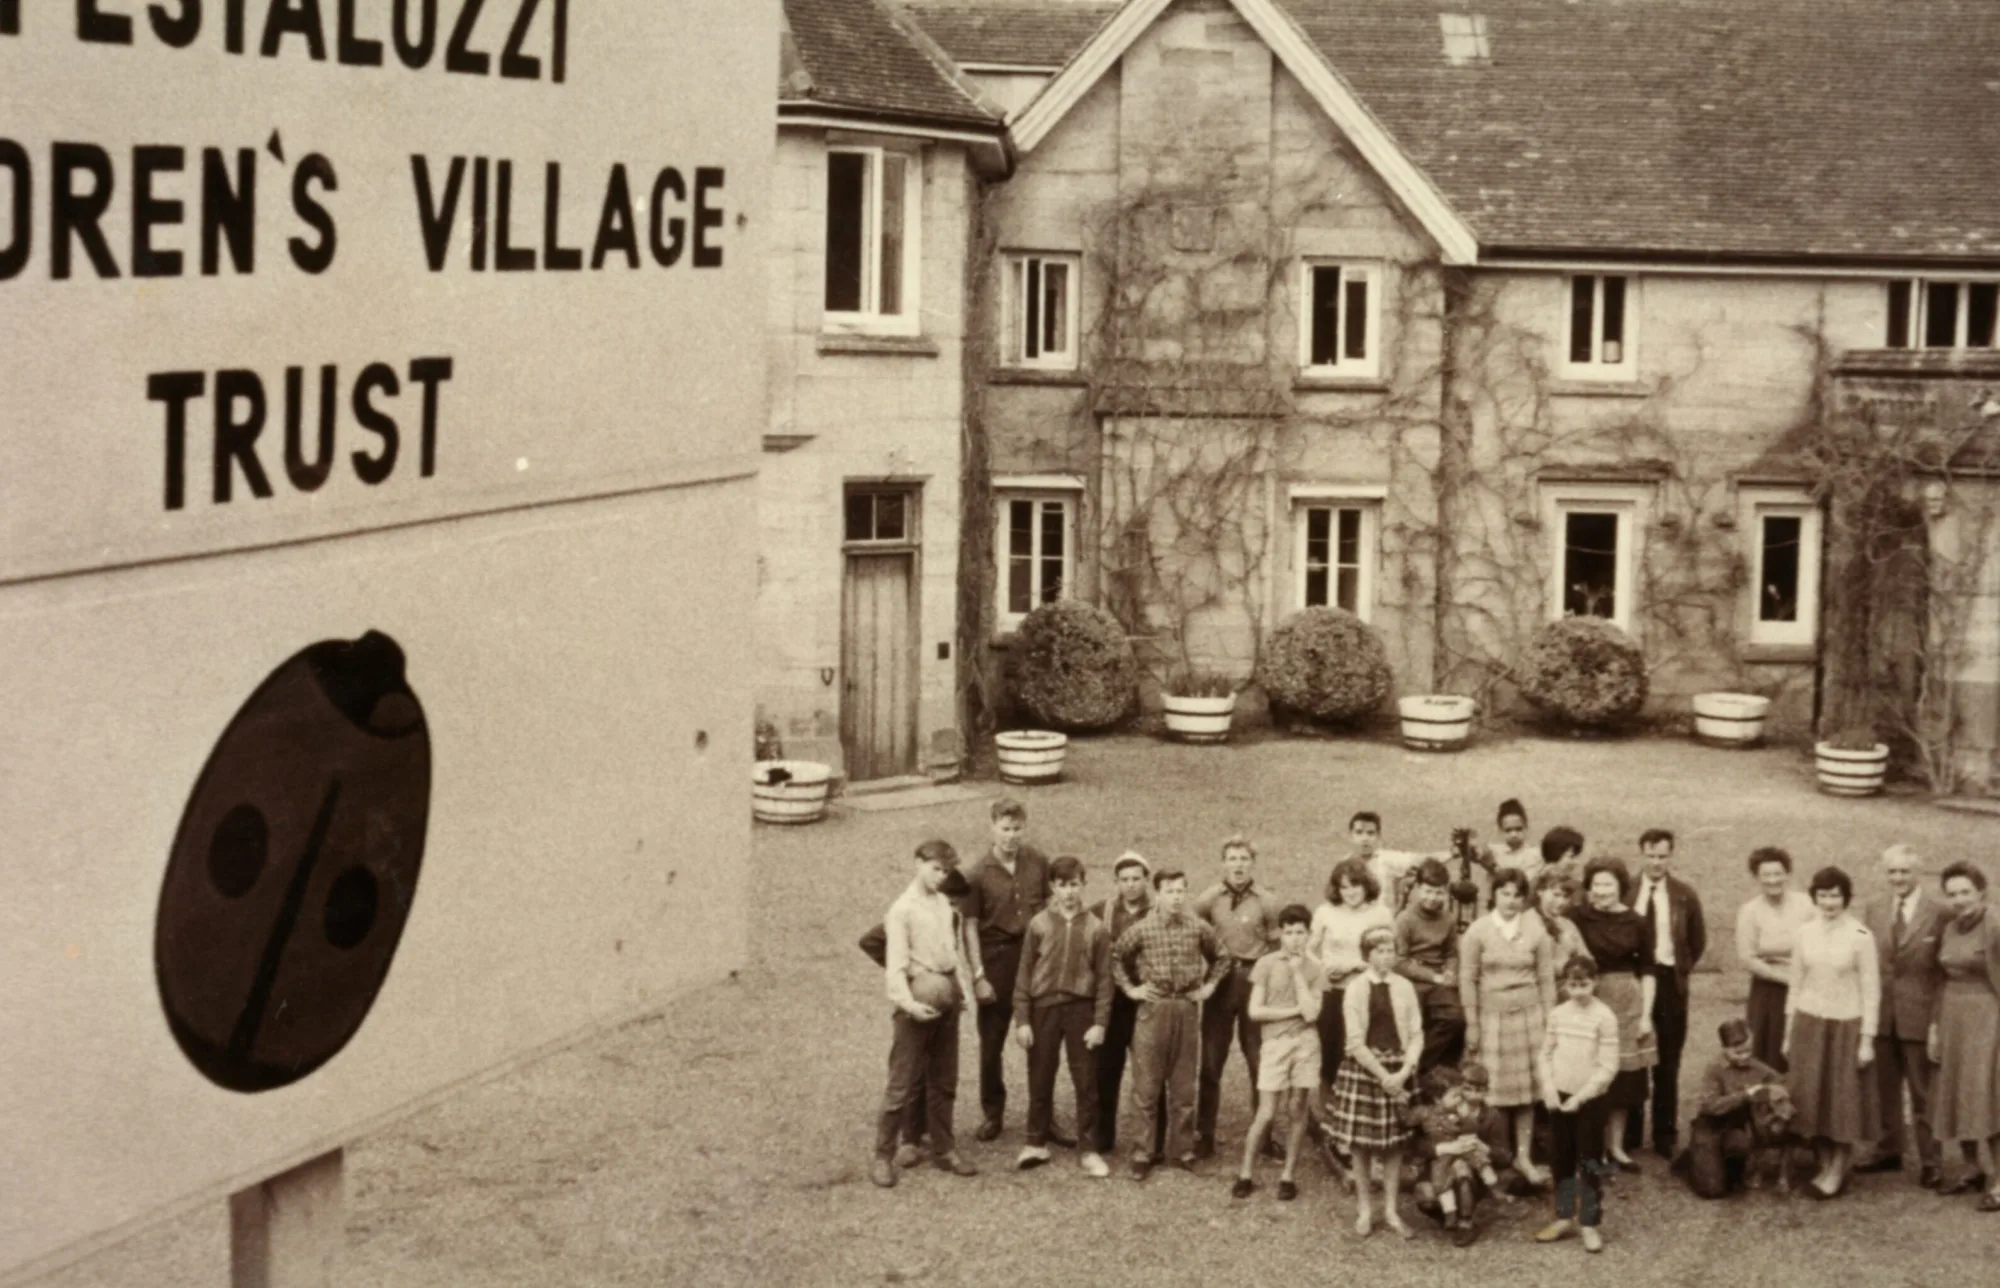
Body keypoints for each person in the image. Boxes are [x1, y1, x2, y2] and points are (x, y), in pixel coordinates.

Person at [857, 846, 978, 1167]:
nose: (941, 877)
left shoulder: (944, 905)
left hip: (946, 999)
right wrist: (908, 1003)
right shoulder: (901, 910)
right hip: (916, 1003)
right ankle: (883, 1157)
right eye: (936, 869)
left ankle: (944, 1149)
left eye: (945, 871)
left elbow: (952, 957)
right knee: (902, 1081)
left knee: (944, 1080)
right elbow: (895, 964)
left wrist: (961, 994)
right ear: (919, 864)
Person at [1111, 867, 1228, 1179]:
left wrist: (1209, 987)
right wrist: (1131, 989)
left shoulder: (1197, 926)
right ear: (1158, 894)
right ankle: (1143, 1152)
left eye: (1181, 891)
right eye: (1170, 891)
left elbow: (1222, 956)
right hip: (1153, 1008)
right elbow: (1113, 957)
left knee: (1183, 1085)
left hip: (1187, 1008)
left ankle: (1182, 1149)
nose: (1176, 897)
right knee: (1146, 1086)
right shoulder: (1144, 928)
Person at [1011, 855, 1113, 1178]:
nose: (1069, 892)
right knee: (1040, 1075)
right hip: (1043, 1010)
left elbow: (1105, 981)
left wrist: (1099, 1023)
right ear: (1052, 887)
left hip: (1080, 1010)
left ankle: (1089, 1149)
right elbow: (1024, 974)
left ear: (1083, 885)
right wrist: (1023, 1020)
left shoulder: (1097, 928)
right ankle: (1035, 1143)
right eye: (1062, 885)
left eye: (1074, 884)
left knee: (1086, 1081)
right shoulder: (1039, 923)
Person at [1783, 864, 1880, 1200]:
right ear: (1814, 898)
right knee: (1811, 1099)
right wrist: (1787, 1032)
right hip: (1809, 1023)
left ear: (1846, 898)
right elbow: (1795, 984)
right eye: (1822, 895)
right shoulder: (1803, 933)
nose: (1828, 902)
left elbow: (1871, 990)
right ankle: (1825, 1163)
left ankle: (1838, 1168)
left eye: (1835, 895)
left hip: (1845, 1025)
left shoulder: (1861, 936)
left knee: (1840, 1101)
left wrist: (1867, 1040)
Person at [1855, 843, 1948, 1188]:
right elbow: (1867, 963)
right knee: (1884, 1088)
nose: (1898, 878)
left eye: (1904, 871)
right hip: (1881, 1014)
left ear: (1918, 872)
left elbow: (1943, 973)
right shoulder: (1874, 909)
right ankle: (1888, 1149)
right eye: (1892, 871)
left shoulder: (1939, 912)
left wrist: (1937, 1021)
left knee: (1924, 1092)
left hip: (1920, 1017)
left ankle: (1931, 1160)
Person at [1460, 866, 1558, 1186]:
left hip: (1530, 1018)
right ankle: (1496, 1158)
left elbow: (1546, 979)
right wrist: (1472, 1022)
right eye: (1505, 893)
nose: (1512, 901)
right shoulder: (1477, 931)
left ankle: (1524, 1157)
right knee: (1495, 1094)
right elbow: (1468, 979)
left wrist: (1549, 1022)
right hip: (1492, 1018)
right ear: (1494, 894)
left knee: (1527, 1095)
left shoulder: (1536, 931)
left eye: (1518, 895)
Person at [962, 797, 1051, 1142]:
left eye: (1017, 829)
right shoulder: (976, 872)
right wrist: (979, 975)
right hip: (997, 960)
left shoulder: (1038, 861)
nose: (1011, 836)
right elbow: (969, 926)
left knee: (1040, 1041)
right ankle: (993, 1113)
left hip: (1034, 959)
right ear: (992, 827)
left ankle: (1042, 1117)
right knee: (992, 1044)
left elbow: (1046, 905)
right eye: (1004, 828)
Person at [1329, 927, 1423, 1239]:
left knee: (1395, 1145)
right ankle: (1366, 1210)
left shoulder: (1405, 987)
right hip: (1367, 1071)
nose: (1386, 956)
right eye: (1379, 951)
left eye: (1390, 950)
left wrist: (1404, 1071)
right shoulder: (1356, 989)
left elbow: (1416, 1033)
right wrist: (1384, 1077)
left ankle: (1392, 1211)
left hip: (1399, 1069)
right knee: (1361, 1145)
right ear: (1367, 955)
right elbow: (1355, 1042)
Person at [1192, 835, 1281, 1160]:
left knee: (1258, 1060)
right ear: (1223, 862)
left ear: (1252, 863)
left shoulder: (1267, 901)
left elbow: (1275, 947)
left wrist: (1265, 981)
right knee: (1212, 1061)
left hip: (1254, 981)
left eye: (1244, 858)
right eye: (1232, 858)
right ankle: (1205, 1134)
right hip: (1220, 981)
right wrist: (1214, 964)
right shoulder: (1208, 899)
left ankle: (1264, 1136)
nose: (1238, 864)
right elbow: (1196, 935)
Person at [1231, 903, 1325, 1201]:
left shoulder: (1315, 968)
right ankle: (1246, 1172)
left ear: (1309, 934)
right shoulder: (1266, 964)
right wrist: (1294, 1009)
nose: (1295, 938)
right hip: (1274, 1045)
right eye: (1289, 933)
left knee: (1298, 1107)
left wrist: (1298, 973)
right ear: (1281, 934)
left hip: (1306, 1044)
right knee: (1267, 1112)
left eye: (1300, 932)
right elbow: (1255, 1011)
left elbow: (1312, 1015)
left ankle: (1288, 1175)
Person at [1570, 856, 1657, 1172]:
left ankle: (1616, 1147)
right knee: (1592, 1073)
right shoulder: (1577, 917)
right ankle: (1593, 1149)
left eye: (1608, 884)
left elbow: (1648, 969)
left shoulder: (1637, 921)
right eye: (1596, 884)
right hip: (1589, 997)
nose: (1602, 890)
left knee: (1623, 1080)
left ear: (1621, 887)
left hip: (1627, 1002)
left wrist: (1646, 1014)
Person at [1308, 856, 1395, 1164]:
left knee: (1363, 1057)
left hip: (1366, 992)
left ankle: (1364, 1129)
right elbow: (1309, 948)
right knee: (1332, 1057)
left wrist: (1360, 966)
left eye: (1355, 885)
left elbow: (1387, 953)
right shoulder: (1325, 912)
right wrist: (1324, 967)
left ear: (1366, 885)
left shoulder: (1380, 912)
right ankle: (1331, 1127)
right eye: (1343, 887)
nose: (1350, 892)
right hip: (1334, 992)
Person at [1627, 829, 1706, 1160]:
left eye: (1662, 856)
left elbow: (1697, 941)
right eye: (1651, 855)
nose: (1656, 862)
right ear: (1641, 854)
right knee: (1632, 1059)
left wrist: (1679, 969)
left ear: (1670, 856)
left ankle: (1664, 1133)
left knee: (1668, 1061)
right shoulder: (1627, 890)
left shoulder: (1684, 895)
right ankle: (1630, 1134)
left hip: (1669, 981)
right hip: (1633, 982)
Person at [1927, 861, 2000, 1209]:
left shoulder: (1995, 923)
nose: (1959, 900)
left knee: (1989, 1094)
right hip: (1953, 1016)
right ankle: (1972, 1168)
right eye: (1952, 893)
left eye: (1965, 892)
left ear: (1981, 891)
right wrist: (1935, 1027)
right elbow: (1941, 979)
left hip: (1987, 1017)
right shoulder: (1951, 927)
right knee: (1959, 1093)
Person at [1534, 955, 1619, 1254]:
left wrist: (1581, 1097)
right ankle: (1563, 1216)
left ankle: (1589, 1223)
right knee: (1560, 1159)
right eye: (1572, 985)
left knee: (1589, 1161)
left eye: (1584, 984)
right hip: (1560, 1098)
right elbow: (1545, 1054)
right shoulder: (1557, 1014)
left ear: (1595, 982)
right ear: (1564, 984)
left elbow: (1608, 1067)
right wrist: (1549, 1089)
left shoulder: (1605, 1016)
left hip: (1590, 1101)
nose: (1579, 991)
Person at [1091, 851, 1164, 1160]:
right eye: (1124, 880)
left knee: (1150, 1072)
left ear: (1146, 880)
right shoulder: (1102, 911)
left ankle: (1154, 1142)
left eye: (1136, 879)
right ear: (1116, 882)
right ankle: (1102, 1136)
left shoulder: (1160, 911)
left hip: (1147, 1000)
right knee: (1106, 1069)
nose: (1131, 885)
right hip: (1114, 1000)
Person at [1680, 1018, 1785, 1199]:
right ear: (1725, 1049)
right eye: (1738, 1053)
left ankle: (1736, 1168)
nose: (1745, 1057)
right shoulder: (1714, 1069)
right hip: (1711, 1124)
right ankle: (1693, 1158)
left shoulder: (1758, 1068)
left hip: (1737, 1125)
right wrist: (1745, 1096)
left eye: (1748, 1051)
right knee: (1711, 1190)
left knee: (1739, 1146)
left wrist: (1774, 1095)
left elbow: (1780, 1082)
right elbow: (1710, 1105)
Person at [1409, 1062, 1511, 1246]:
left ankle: (1466, 1222)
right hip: (1441, 1167)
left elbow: (1505, 1156)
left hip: (1473, 1171)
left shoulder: (1493, 1116)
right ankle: (1450, 1213)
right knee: (1425, 1196)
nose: (1471, 1095)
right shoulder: (1440, 1111)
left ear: (1486, 1091)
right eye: (1466, 1089)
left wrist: (1483, 1147)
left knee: (1462, 1169)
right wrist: (1443, 1148)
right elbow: (1416, 1145)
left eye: (1478, 1090)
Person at [1736, 846, 1815, 1072]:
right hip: (1768, 991)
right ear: (1756, 877)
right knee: (1768, 1054)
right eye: (1766, 875)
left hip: (1806, 986)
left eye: (1778, 874)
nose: (1773, 880)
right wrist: (1785, 978)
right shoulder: (1749, 911)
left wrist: (1802, 978)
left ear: (1788, 874)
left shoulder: (1806, 905)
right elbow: (1747, 958)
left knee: (1802, 1050)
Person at [1396, 858, 1467, 1073]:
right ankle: (1409, 1069)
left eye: (1439, 893)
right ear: (1417, 889)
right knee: (1412, 1024)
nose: (1432, 898)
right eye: (1427, 891)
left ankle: (1422, 1067)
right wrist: (1432, 976)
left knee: (1456, 1019)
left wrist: (1450, 971)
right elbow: (1399, 961)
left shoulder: (1448, 919)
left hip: (1439, 980)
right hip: (1412, 980)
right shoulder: (1405, 919)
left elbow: (1452, 953)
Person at [1349, 810, 1425, 912]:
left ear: (1378, 837)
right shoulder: (1343, 865)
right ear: (1351, 836)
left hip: (1383, 922)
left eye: (1370, 833)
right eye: (1359, 832)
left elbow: (1420, 859)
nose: (1365, 838)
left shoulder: (1387, 859)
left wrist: (1452, 853)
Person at [1532, 867, 1588, 971]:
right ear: (1540, 891)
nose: (1561, 902)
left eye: (1565, 896)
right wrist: (1566, 951)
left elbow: (1588, 962)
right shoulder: (1529, 921)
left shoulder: (1567, 924)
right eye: (1556, 894)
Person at [1536, 825, 1585, 890]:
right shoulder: (1535, 887)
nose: (1576, 862)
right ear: (1555, 855)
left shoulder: (1576, 886)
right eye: (1571, 857)